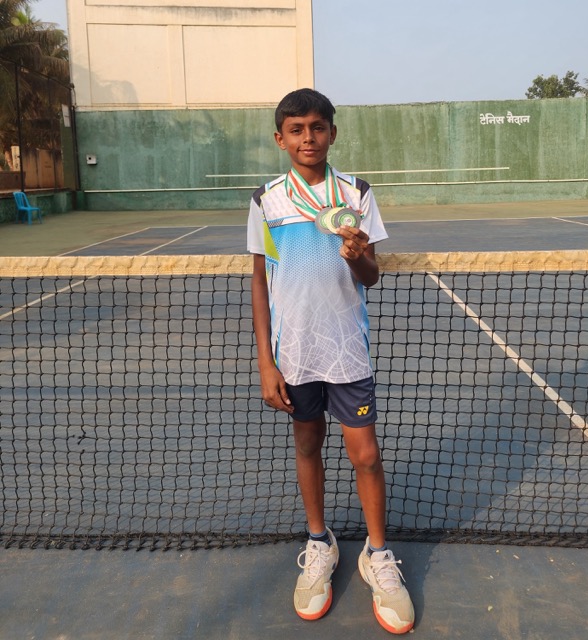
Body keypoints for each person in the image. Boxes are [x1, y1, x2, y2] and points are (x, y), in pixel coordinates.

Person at [247, 88, 415, 635]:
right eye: (296, 130)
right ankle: (319, 543)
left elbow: (371, 276)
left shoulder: (357, 193)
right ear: (281, 138)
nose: (307, 139)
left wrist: (359, 254)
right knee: (307, 445)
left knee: (365, 455)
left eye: (317, 128)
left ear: (332, 133)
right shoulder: (266, 200)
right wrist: (266, 362)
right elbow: (259, 282)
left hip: (347, 350)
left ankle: (378, 554)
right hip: (293, 355)